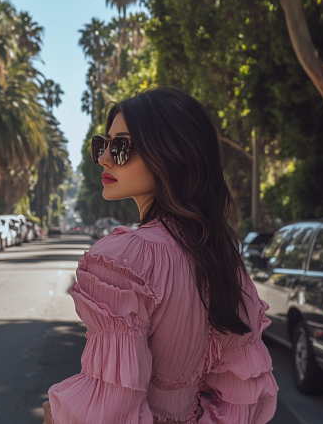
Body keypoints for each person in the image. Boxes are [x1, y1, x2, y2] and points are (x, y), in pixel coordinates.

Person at [42, 87, 278, 424]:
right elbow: (242, 402)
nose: (105, 158)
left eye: (121, 146)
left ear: (170, 154)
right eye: (102, 145)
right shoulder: (224, 262)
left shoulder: (122, 260)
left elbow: (110, 410)